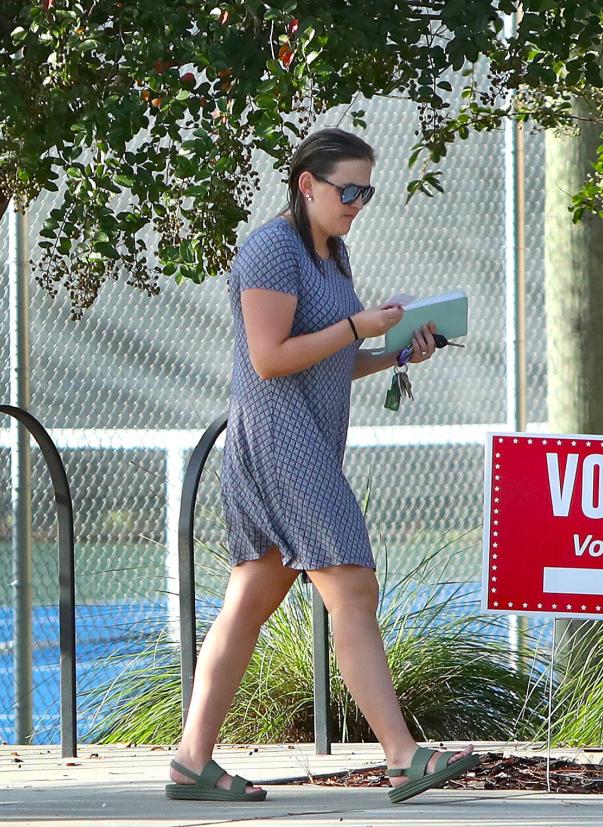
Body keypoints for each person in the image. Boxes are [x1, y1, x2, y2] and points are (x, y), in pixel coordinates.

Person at [165, 127, 480, 804]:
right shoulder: (272, 250)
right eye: (349, 189)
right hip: (281, 442)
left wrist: (394, 350)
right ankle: (403, 757)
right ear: (308, 184)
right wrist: (358, 328)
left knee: (248, 602)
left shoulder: (332, 254)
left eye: (367, 190)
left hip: (304, 436)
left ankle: (192, 761)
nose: (359, 202)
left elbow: (329, 357)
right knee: (354, 588)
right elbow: (269, 358)